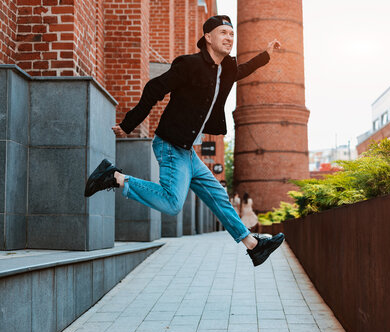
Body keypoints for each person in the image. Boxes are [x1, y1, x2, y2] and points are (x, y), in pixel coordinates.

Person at [84, 15, 284, 267]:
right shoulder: (189, 65)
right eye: (223, 33)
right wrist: (128, 124)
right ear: (208, 38)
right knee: (171, 203)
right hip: (170, 146)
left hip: (188, 152)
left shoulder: (225, 70)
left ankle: (254, 246)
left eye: (231, 34)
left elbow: (242, 70)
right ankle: (115, 178)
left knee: (218, 197)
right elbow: (154, 88)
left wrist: (265, 55)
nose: (229, 38)